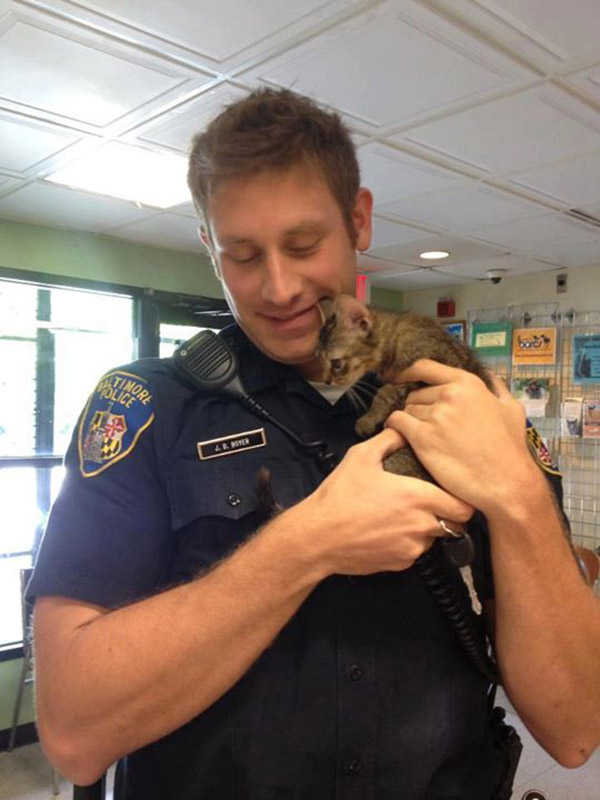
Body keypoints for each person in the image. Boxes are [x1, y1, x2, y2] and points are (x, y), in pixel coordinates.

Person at [29, 88, 600, 799]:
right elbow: (74, 736)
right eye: (241, 254)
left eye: (304, 245)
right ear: (207, 246)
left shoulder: (470, 401)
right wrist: (306, 545)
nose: (279, 287)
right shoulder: (144, 410)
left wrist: (513, 490)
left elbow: (577, 731)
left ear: (358, 219)